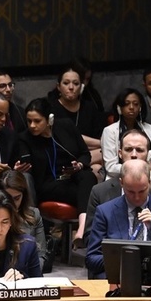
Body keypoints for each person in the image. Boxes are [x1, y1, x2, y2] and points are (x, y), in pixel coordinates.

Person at [19, 97, 97, 249]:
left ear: (49, 119)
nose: (32, 125)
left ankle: (81, 229)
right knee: (90, 195)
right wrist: (20, 165)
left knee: (88, 176)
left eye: (37, 121)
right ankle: (85, 230)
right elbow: (26, 162)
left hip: (71, 178)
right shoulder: (25, 138)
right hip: (47, 184)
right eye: (29, 121)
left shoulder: (66, 126)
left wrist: (79, 165)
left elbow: (84, 154)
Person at [86, 159, 151, 279]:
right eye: (131, 191)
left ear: (149, 182)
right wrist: (128, 259)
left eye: (142, 191)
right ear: (121, 183)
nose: (137, 198)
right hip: (117, 278)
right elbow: (91, 259)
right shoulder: (105, 212)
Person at [86, 130, 151, 238]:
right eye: (128, 149)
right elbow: (90, 238)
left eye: (139, 150)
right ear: (120, 153)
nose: (134, 155)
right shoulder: (100, 192)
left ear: (148, 154)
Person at [101, 87, 151, 181]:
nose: (131, 107)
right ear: (119, 108)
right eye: (127, 104)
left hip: (150, 176)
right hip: (120, 177)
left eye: (135, 104)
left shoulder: (148, 128)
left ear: (140, 107)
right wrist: (142, 167)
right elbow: (110, 167)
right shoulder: (109, 131)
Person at [50, 64, 104, 175]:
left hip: (89, 154)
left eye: (75, 83)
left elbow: (98, 134)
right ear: (58, 86)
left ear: (81, 87)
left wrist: (101, 144)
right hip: (63, 155)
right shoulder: (51, 108)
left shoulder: (89, 107)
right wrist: (102, 143)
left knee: (98, 167)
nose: (71, 87)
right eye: (66, 83)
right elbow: (66, 139)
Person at [0, 169, 48, 274]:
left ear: (24, 195)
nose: (12, 204)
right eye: (8, 198)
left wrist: (23, 275)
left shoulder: (34, 215)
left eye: (17, 198)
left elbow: (41, 255)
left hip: (23, 277)